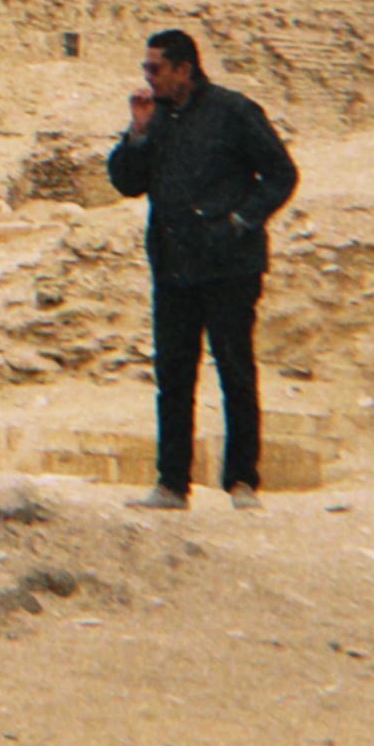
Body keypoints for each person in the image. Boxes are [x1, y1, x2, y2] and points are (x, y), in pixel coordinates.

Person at [105, 26, 297, 506]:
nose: (146, 78)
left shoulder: (233, 111)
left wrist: (239, 220)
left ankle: (242, 481)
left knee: (234, 370)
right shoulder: (157, 118)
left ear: (184, 69)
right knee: (173, 376)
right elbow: (127, 184)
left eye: (155, 69)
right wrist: (137, 133)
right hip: (173, 268)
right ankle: (172, 483)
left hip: (230, 266)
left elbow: (281, 174)